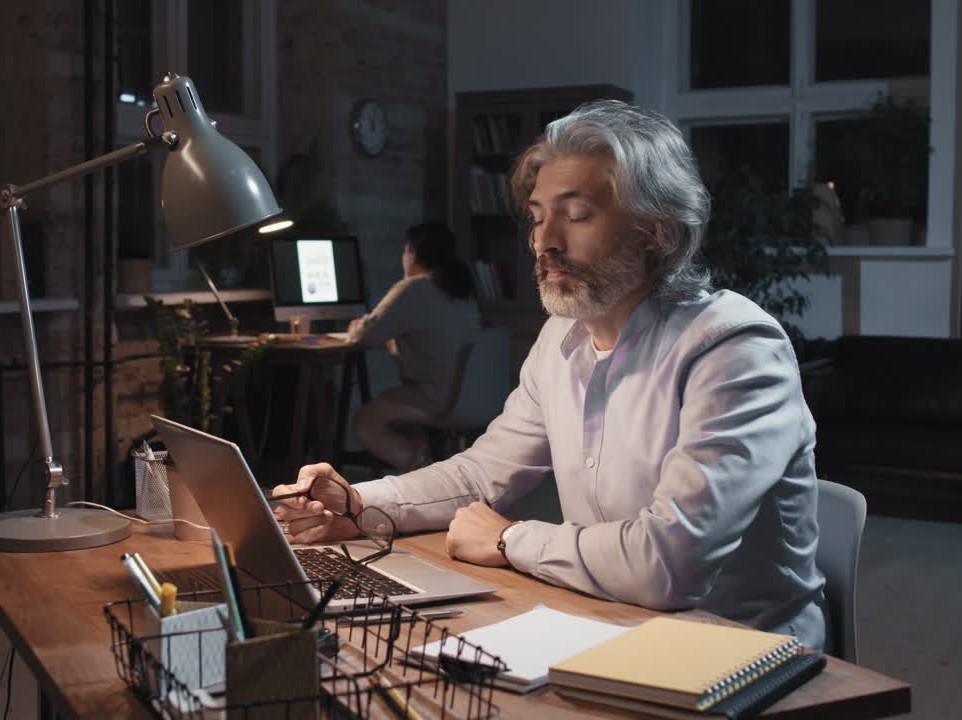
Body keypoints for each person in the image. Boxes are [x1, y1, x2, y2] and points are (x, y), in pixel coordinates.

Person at [275, 100, 829, 651]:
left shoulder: (733, 350)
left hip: (743, 656)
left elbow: (671, 563)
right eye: (538, 217)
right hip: (608, 625)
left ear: (654, 231)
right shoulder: (560, 339)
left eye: (577, 215)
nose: (546, 242)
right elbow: (481, 475)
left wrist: (511, 538)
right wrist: (357, 506)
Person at [345, 222, 480, 471]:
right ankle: (430, 464)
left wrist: (355, 325)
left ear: (413, 253)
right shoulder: (463, 291)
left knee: (366, 421)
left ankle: (428, 474)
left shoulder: (415, 288)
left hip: (432, 398)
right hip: (469, 397)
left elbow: (365, 334)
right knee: (410, 427)